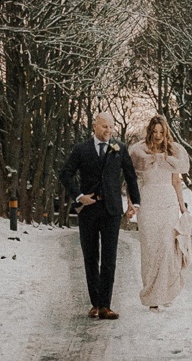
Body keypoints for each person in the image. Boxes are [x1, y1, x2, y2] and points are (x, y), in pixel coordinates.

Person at [58, 113, 140, 320]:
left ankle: (106, 305)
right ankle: (95, 304)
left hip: (112, 210)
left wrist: (135, 203)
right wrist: (79, 196)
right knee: (91, 256)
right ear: (94, 126)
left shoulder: (119, 149)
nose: (108, 131)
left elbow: (131, 176)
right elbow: (65, 174)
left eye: (111, 127)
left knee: (110, 258)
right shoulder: (81, 149)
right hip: (89, 210)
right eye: (104, 127)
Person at [128, 115, 192, 310]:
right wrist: (131, 204)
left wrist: (182, 207)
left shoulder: (173, 152)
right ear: (150, 131)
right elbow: (132, 182)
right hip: (148, 202)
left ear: (166, 132)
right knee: (150, 250)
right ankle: (152, 295)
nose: (158, 135)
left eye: (161, 132)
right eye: (155, 132)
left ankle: (166, 291)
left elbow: (176, 181)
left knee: (167, 247)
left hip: (168, 203)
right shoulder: (139, 152)